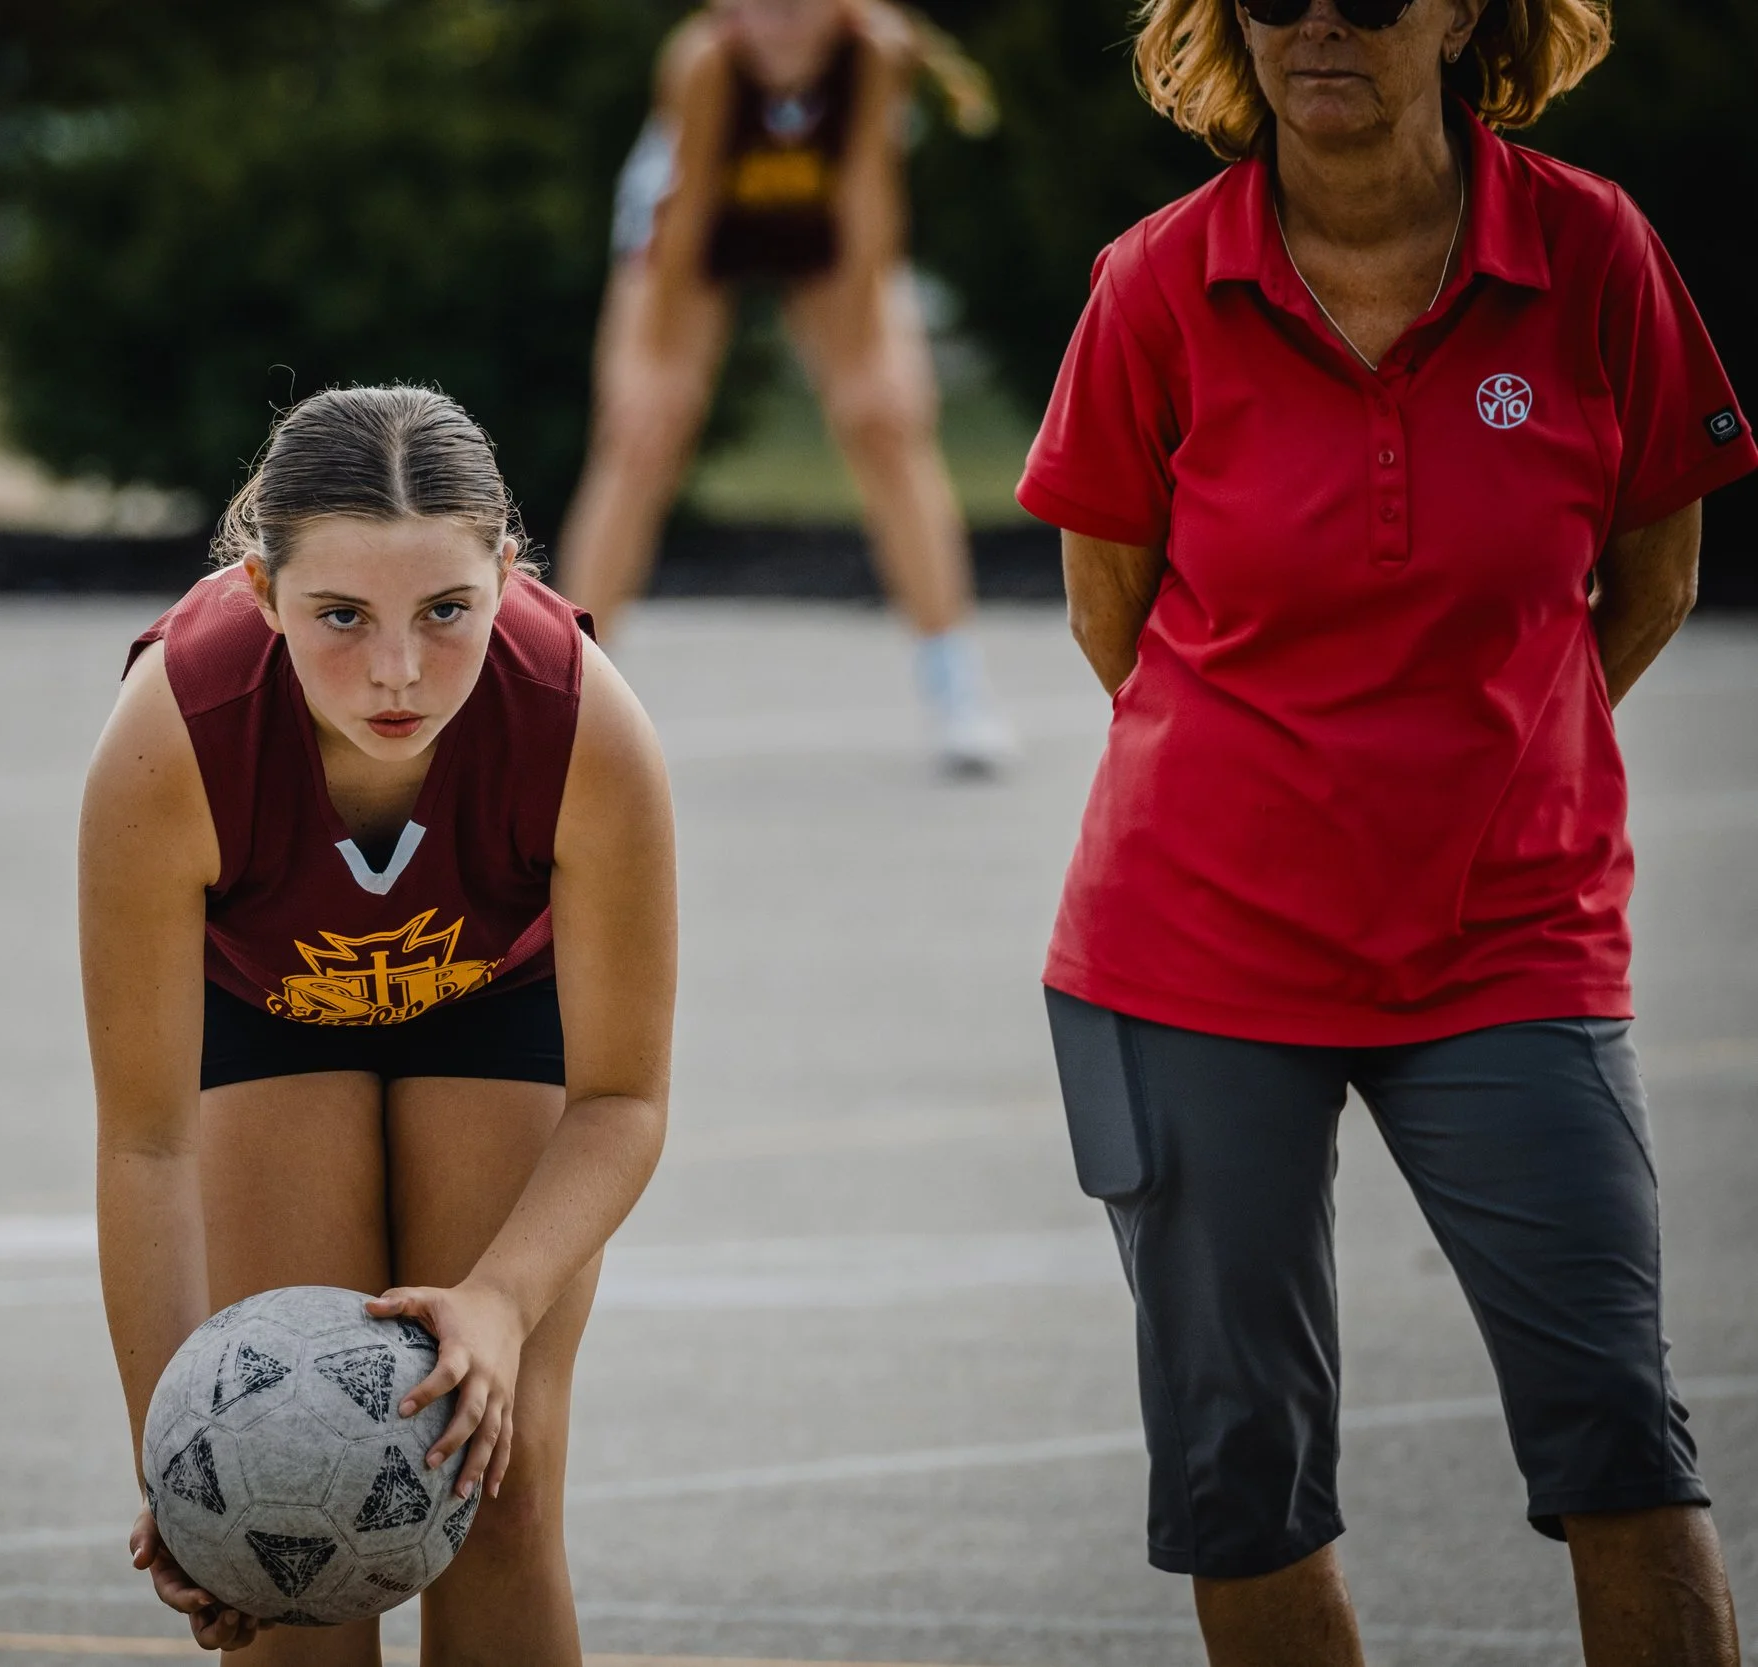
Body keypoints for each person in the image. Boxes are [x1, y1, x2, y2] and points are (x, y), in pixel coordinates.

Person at [1017, 0, 1755, 1660]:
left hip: (1515, 938)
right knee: (1244, 1473)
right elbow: (1109, 614)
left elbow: (1657, 577)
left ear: (1463, 11)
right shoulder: (1153, 283)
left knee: (1621, 1438)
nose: (1321, 26)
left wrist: (1482, 762)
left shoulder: (1593, 251)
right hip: (1193, 948)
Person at [77, 385, 678, 1661]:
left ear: (507, 575)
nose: (397, 668)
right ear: (258, 590)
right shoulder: (170, 736)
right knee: (287, 1504)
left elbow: (623, 1100)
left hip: (493, 997)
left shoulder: (585, 724)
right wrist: (187, 1465)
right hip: (272, 1011)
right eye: (339, 615)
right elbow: (144, 1143)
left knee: (493, 1487)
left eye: (446, 612)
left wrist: (502, 1304)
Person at [556, 0, 1017, 771]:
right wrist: (660, 363)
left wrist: (871, 352)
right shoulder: (702, 61)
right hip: (691, 232)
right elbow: (690, 209)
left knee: (889, 422)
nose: (782, 17)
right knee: (641, 432)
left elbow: (868, 195)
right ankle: (564, 695)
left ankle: (956, 681)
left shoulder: (875, 51)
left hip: (821, 219)